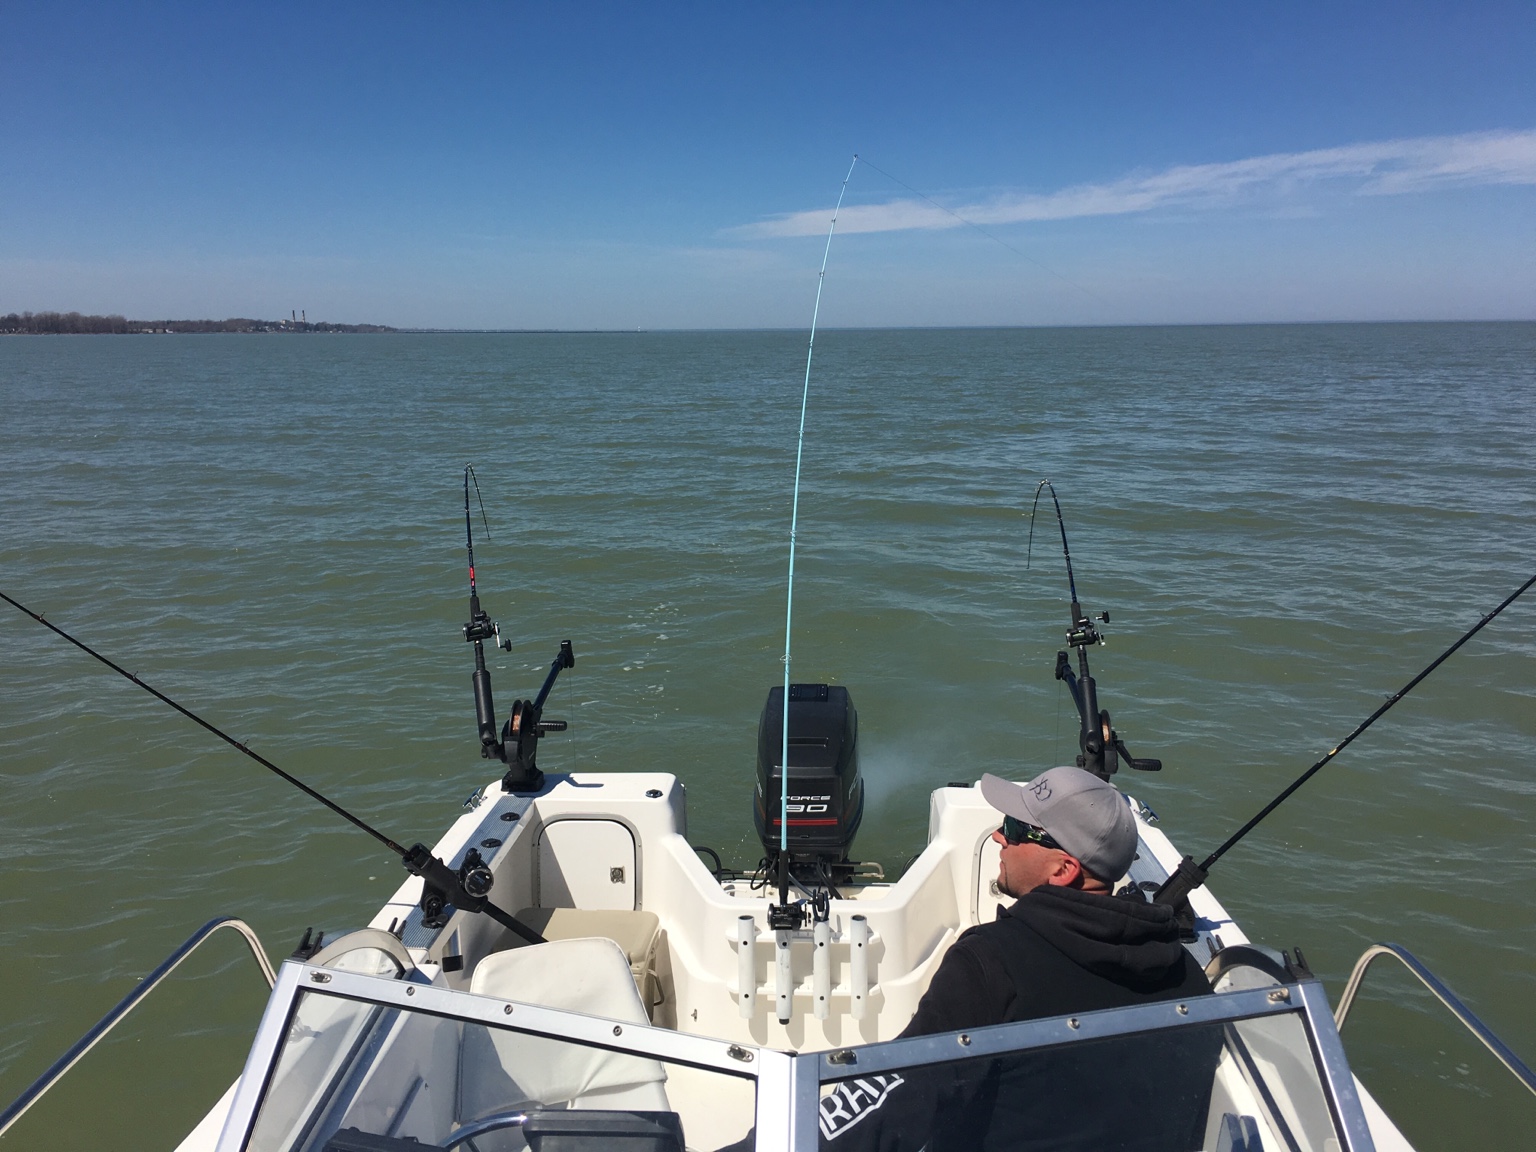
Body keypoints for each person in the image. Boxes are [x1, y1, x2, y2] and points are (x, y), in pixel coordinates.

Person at [818, 766, 1218, 1152]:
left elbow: (892, 1098)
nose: (998, 836)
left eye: (1014, 828)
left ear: (1063, 869)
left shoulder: (991, 965)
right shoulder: (1187, 977)